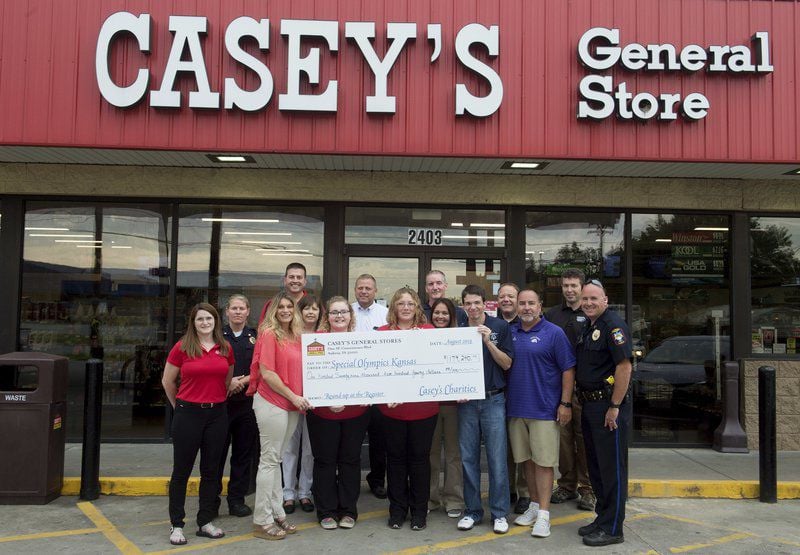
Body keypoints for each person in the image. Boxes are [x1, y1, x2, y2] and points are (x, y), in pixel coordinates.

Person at [162, 303, 234, 546]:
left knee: (211, 471)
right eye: (200, 319)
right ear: (193, 323)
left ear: (216, 321)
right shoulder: (182, 347)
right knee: (181, 471)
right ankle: (177, 524)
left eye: (209, 318)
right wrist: (180, 407)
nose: (205, 323)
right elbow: (167, 381)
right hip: (187, 415)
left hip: (217, 415)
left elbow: (226, 380)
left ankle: (205, 521)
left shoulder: (225, 348)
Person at [507, 289, 576, 539]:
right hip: (516, 409)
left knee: (544, 463)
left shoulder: (554, 333)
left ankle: (545, 515)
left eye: (531, 303)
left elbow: (568, 369)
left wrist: (565, 404)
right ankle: (534, 506)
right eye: (522, 303)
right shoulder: (510, 332)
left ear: (540, 306)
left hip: (545, 410)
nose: (526, 308)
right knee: (526, 461)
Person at [246, 292, 312, 541]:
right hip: (273, 402)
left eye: (289, 307)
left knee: (276, 461)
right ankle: (261, 520)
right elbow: (268, 373)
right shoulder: (269, 334)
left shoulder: (295, 336)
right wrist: (294, 397)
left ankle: (277, 513)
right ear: (273, 310)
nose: (285, 310)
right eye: (280, 307)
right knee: (270, 460)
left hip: (291, 405)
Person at [574, 280, 633, 547]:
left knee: (612, 469)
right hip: (590, 405)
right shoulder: (591, 326)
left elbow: (624, 367)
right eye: (585, 299)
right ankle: (602, 519)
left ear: (605, 300)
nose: (588, 303)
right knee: (596, 468)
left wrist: (615, 406)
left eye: (593, 298)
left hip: (608, 407)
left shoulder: (613, 326)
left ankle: (613, 528)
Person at [377, 288, 439, 531]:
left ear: (417, 308)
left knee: (420, 461)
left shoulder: (429, 332)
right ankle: (397, 510)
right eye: (401, 303)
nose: (405, 308)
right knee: (395, 461)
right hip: (391, 411)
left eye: (410, 304)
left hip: (424, 410)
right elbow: (375, 371)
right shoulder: (382, 334)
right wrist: (383, 393)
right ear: (393, 307)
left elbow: (440, 367)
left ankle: (419, 512)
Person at [306, 296, 370, 530]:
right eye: (334, 312)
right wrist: (324, 401)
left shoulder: (361, 343)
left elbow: (368, 375)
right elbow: (310, 377)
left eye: (344, 312)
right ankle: (326, 511)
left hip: (356, 413)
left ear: (351, 316)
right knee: (324, 462)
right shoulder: (315, 342)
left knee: (350, 462)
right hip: (323, 414)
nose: (340, 316)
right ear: (327, 316)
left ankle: (348, 510)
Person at [457, 284, 514, 535]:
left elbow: (507, 363)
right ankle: (472, 511)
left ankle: (499, 513)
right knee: (468, 458)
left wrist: (488, 340)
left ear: (485, 303)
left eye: (477, 302)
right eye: (468, 303)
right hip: (467, 403)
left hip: (493, 400)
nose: (472, 307)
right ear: (463, 305)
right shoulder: (457, 329)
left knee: (496, 458)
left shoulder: (500, 327)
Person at [545, 268, 595, 511]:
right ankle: (566, 485)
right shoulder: (552, 315)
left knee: (584, 439)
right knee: (563, 440)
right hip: (560, 388)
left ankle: (587, 489)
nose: (570, 290)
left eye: (574, 285)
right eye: (566, 285)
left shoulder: (592, 313)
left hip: (586, 388)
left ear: (582, 287)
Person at [215, 295, 258, 518]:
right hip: (221, 405)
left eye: (242, 308)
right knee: (216, 455)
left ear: (248, 311)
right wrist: (227, 382)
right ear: (227, 311)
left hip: (247, 406)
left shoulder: (255, 336)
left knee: (242, 455)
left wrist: (241, 381)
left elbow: (261, 366)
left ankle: (236, 500)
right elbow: (210, 365)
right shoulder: (217, 335)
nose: (238, 312)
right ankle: (211, 501)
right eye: (234, 308)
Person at [350, 274, 390, 500]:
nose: (364, 291)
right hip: (353, 385)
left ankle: (376, 480)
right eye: (360, 288)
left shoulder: (384, 315)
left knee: (379, 438)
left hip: (378, 385)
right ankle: (350, 480)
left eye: (368, 288)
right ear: (355, 290)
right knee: (352, 438)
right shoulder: (345, 311)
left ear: (375, 291)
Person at [281, 295, 320, 515]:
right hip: (291, 398)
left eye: (315, 309)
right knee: (289, 448)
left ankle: (305, 492)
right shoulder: (289, 336)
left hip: (315, 402)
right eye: (307, 309)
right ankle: (288, 494)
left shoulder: (324, 336)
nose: (311, 312)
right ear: (300, 311)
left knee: (309, 450)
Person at [427, 298, 465, 519]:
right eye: (437, 313)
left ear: (452, 316)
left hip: (453, 405)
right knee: (430, 454)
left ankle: (453, 500)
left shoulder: (460, 338)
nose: (440, 317)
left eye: (445, 313)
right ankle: (430, 498)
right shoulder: (422, 337)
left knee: (453, 454)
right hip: (428, 404)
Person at [497, 282, 530, 515]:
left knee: (523, 448)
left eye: (511, 296)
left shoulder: (526, 325)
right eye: (502, 296)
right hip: (500, 394)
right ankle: (507, 488)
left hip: (523, 393)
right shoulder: (493, 325)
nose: (506, 300)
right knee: (505, 447)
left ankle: (525, 493)